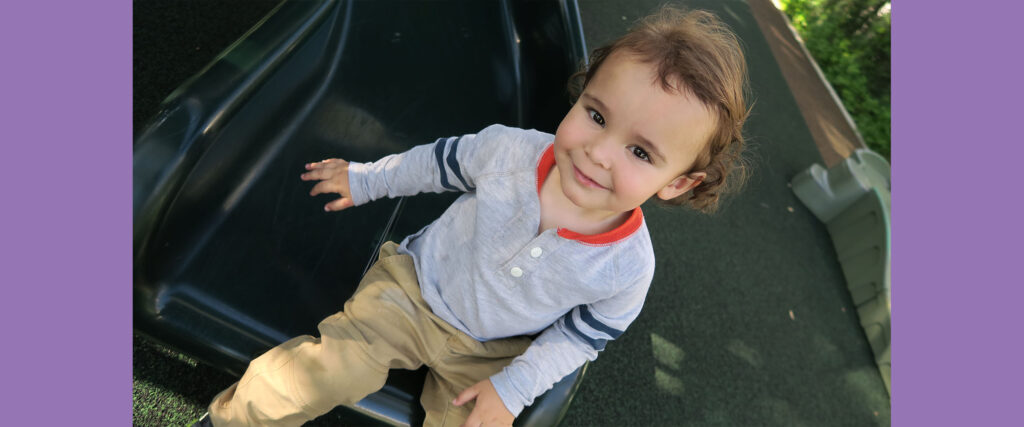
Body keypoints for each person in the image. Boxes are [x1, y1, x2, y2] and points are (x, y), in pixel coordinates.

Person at [199, 6, 749, 427]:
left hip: (495, 350)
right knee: (331, 369)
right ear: (582, 95)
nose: (600, 152)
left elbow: (580, 338)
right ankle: (232, 418)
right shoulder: (509, 153)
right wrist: (368, 179)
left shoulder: (627, 270)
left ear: (678, 183)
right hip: (415, 291)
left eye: (641, 153)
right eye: (597, 114)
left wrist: (510, 389)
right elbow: (435, 164)